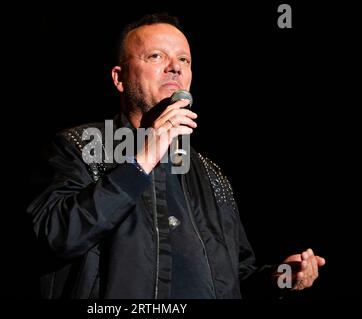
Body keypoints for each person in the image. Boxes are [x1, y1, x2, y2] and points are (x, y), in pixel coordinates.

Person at [27, 13, 325, 299]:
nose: (175, 67)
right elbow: (54, 236)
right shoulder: (80, 146)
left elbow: (235, 278)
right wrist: (141, 161)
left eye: (184, 59)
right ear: (119, 78)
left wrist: (280, 278)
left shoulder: (211, 174)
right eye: (156, 56)